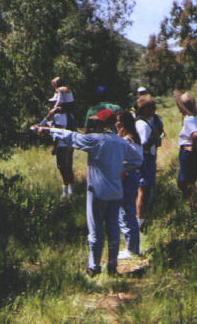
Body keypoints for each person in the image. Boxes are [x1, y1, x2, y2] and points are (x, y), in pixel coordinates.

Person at [32, 109, 142, 276]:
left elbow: (72, 137)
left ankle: (94, 266)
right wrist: (120, 167)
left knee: (96, 230)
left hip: (97, 192)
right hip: (116, 192)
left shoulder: (94, 140)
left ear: (100, 123)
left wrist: (49, 130)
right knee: (113, 229)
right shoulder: (121, 143)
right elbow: (137, 160)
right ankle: (112, 266)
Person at [42, 77, 76, 198]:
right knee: (68, 167)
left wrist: (54, 146)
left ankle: (65, 192)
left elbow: (58, 132)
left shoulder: (58, 116)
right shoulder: (70, 115)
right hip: (70, 143)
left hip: (62, 145)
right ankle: (71, 191)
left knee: (62, 168)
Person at [115, 111, 143, 259]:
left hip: (127, 177)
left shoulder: (127, 141)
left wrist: (118, 183)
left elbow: (123, 165)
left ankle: (132, 249)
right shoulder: (134, 139)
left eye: (118, 122)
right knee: (129, 211)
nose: (116, 124)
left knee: (126, 212)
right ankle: (132, 246)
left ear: (124, 124)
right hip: (134, 176)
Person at [134, 94, 163, 230]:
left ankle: (141, 218)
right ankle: (139, 220)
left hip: (146, 158)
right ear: (144, 109)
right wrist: (155, 138)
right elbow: (143, 145)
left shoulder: (145, 122)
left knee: (144, 190)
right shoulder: (143, 125)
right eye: (151, 106)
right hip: (145, 159)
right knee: (143, 190)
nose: (154, 109)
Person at [175, 91, 197, 210]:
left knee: (186, 182)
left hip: (188, 152)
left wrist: (192, 147)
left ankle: (194, 206)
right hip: (194, 152)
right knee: (189, 181)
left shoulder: (189, 120)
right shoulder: (194, 119)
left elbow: (196, 134)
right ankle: (194, 206)